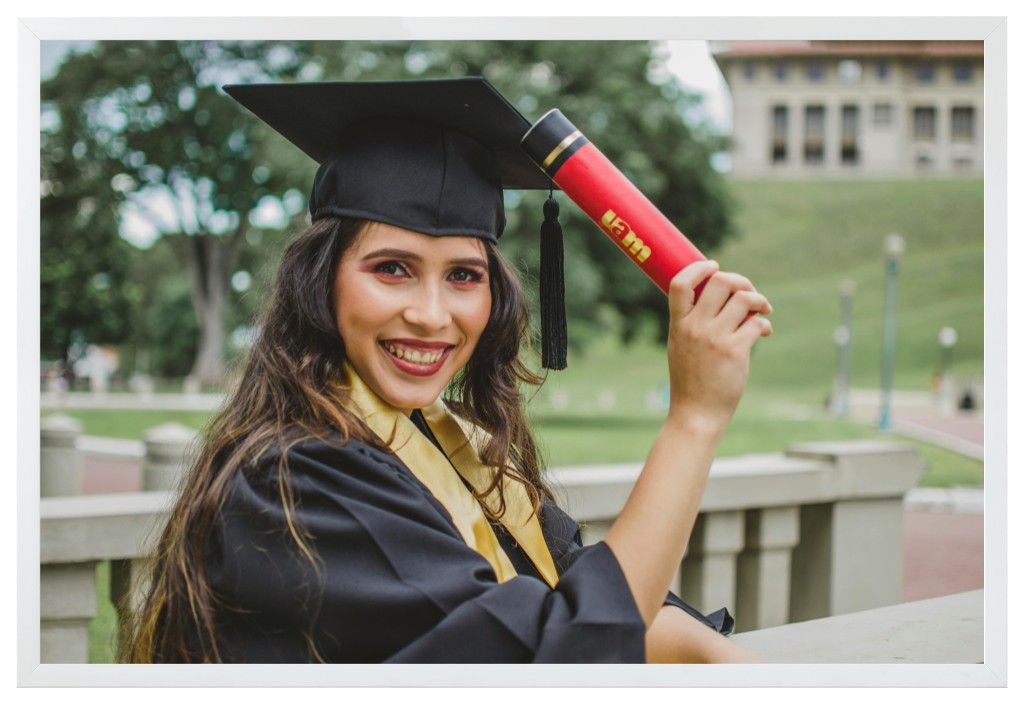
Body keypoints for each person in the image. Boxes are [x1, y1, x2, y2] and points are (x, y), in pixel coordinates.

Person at [121, 78, 772, 664]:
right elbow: (557, 656)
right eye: (391, 269)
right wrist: (695, 418)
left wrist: (706, 649)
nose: (432, 316)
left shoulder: (452, 447)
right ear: (320, 284)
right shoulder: (295, 483)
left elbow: (585, 599)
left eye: (464, 276)